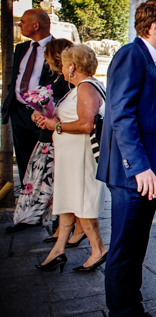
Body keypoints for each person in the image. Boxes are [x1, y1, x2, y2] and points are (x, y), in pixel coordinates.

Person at [97, 0, 156, 317]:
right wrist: (139, 167)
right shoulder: (131, 55)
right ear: (155, 27)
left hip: (145, 173)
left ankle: (134, 312)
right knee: (123, 250)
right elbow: (121, 114)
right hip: (133, 174)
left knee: (136, 247)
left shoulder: (151, 59)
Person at [34, 45, 107, 273]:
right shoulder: (81, 87)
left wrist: (56, 126)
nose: (62, 70)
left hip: (81, 157)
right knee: (69, 202)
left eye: (65, 65)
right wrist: (47, 116)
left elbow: (87, 124)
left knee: (81, 202)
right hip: (72, 157)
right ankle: (58, 250)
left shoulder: (85, 88)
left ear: (73, 66)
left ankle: (98, 250)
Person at [3, 10, 67, 233]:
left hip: (46, 115)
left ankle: (59, 217)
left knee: (50, 165)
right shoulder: (21, 48)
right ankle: (29, 215)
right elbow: (17, 77)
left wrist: (47, 109)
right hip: (19, 113)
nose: (20, 25)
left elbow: (61, 82)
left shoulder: (58, 48)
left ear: (36, 25)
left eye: (23, 22)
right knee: (24, 162)